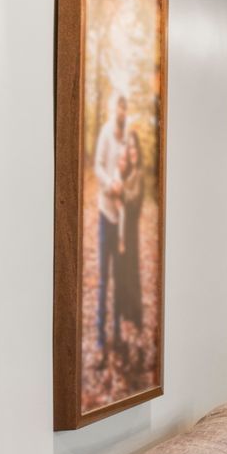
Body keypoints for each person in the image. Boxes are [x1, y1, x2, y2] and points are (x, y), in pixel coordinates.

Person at [92, 95, 130, 355]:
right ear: (115, 109)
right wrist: (110, 185)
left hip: (120, 216)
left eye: (125, 109)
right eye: (120, 108)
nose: (122, 113)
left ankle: (116, 330)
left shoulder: (126, 137)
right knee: (104, 277)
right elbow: (98, 166)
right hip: (106, 212)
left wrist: (122, 187)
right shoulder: (106, 133)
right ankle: (100, 333)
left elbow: (125, 168)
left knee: (119, 277)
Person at [113, 126, 145, 360]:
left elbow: (134, 202)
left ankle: (135, 316)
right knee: (123, 271)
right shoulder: (128, 173)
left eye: (134, 147)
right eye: (129, 147)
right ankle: (125, 313)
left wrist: (121, 193)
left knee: (131, 271)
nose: (132, 151)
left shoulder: (139, 174)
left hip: (131, 230)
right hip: (124, 228)